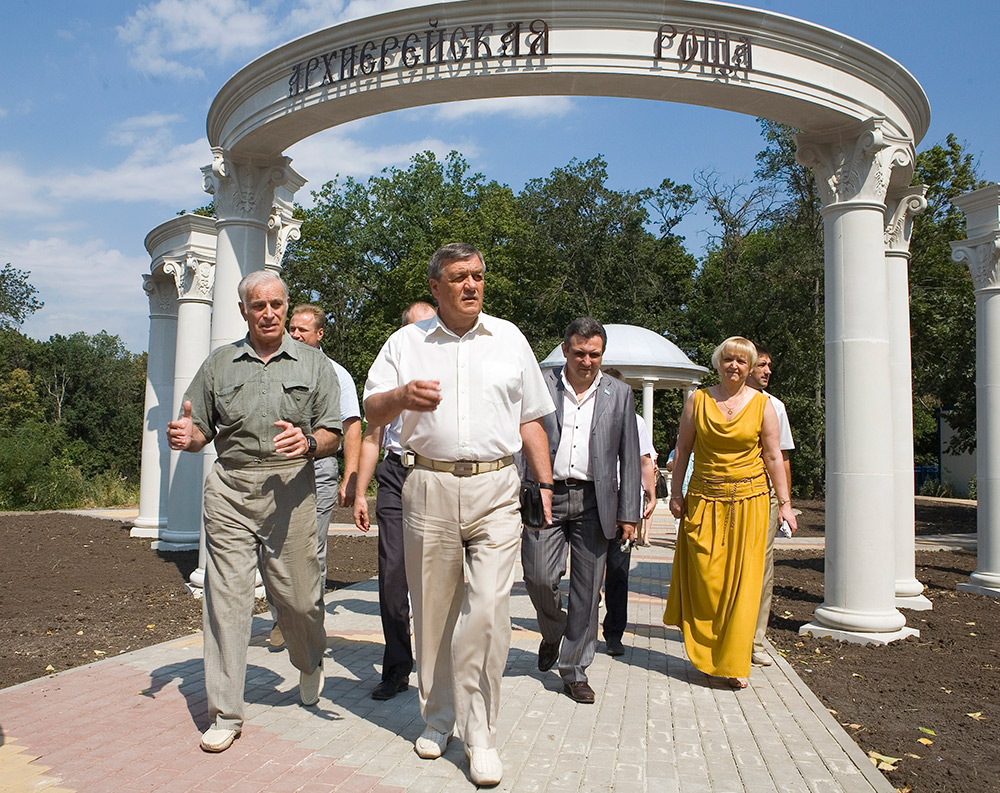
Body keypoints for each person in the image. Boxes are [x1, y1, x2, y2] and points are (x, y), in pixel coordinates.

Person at [363, 242, 554, 787]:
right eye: (458, 277)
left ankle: (481, 733)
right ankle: (439, 717)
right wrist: (400, 395)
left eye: (478, 276)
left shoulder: (510, 338)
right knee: (433, 611)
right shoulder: (406, 342)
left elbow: (532, 420)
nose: (471, 285)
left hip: (497, 484)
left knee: (489, 609)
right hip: (427, 483)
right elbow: (372, 409)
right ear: (436, 286)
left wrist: (543, 481)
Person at [166, 270, 342, 752]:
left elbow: (333, 432)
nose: (268, 313)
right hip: (230, 487)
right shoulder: (220, 364)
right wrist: (188, 437)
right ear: (244, 310)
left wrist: (307, 441)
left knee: (299, 597)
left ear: (287, 308)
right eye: (258, 305)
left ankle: (309, 661)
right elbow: (200, 427)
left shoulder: (313, 365)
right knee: (226, 600)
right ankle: (225, 712)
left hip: (291, 487)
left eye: (276, 305)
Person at [662, 336, 796, 689]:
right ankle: (707, 654)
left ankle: (732, 662)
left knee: (742, 586)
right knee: (707, 581)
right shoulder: (698, 400)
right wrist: (675, 494)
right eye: (728, 359)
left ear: (750, 367)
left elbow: (772, 457)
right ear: (719, 362)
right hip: (704, 501)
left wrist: (785, 504)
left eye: (741, 361)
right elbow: (684, 449)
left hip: (750, 503)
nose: (734, 366)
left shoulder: (764, 405)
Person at [521, 319, 640, 703]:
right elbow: (521, 434)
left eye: (595, 354)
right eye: (579, 353)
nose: (587, 361)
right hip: (546, 494)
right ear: (565, 350)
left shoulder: (619, 393)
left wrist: (629, 513)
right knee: (538, 576)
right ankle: (554, 631)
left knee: (587, 594)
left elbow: (629, 455)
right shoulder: (541, 382)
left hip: (596, 501)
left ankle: (574, 670)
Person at [264, 303, 362, 650]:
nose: (295, 334)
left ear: (319, 334)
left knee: (311, 551)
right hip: (277, 471)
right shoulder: (274, 368)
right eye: (292, 328)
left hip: (319, 469)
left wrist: (351, 475)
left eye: (302, 330)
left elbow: (352, 426)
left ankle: (308, 622)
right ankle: (281, 616)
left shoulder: (337, 374)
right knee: (273, 547)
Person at [353, 300, 437, 700]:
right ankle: (397, 667)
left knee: (440, 578)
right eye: (418, 328)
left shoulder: (452, 367)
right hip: (394, 476)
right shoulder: (389, 374)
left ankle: (441, 667)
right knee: (392, 576)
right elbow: (372, 436)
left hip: (437, 477)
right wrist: (360, 493)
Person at [599, 367, 657, 657]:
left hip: (625, 505)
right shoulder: (590, 418)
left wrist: (650, 492)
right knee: (591, 572)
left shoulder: (636, 422)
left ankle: (613, 633)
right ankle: (582, 630)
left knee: (619, 572)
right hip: (593, 503)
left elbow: (644, 459)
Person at [746, 345, 795, 667]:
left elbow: (782, 457)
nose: (768, 371)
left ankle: (755, 640)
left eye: (769, 365)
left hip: (764, 497)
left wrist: (784, 503)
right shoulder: (718, 402)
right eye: (761, 365)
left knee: (761, 570)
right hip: (729, 496)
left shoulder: (774, 406)